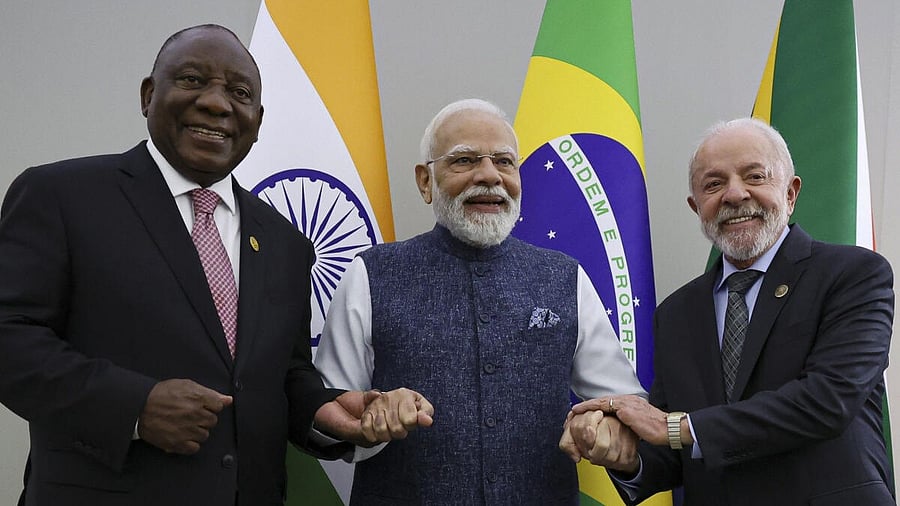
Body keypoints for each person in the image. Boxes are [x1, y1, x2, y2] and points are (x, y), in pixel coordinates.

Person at [0, 24, 430, 506]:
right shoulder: (61, 197)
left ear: (257, 119)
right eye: (191, 79)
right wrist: (134, 408)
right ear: (148, 95)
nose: (216, 103)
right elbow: (10, 338)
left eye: (239, 93)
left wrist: (325, 409)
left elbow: (280, 373)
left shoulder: (285, 242)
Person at [314, 98, 646, 505]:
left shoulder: (566, 277)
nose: (489, 175)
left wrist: (607, 426)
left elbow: (627, 407)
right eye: (464, 160)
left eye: (504, 162)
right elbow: (323, 417)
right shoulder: (370, 275)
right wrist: (371, 419)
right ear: (425, 181)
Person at [561, 117, 895, 505]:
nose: (735, 195)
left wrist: (676, 427)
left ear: (790, 193)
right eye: (714, 184)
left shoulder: (853, 274)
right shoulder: (676, 313)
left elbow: (828, 400)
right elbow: (675, 456)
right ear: (696, 206)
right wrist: (621, 453)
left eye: (754, 177)